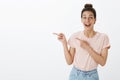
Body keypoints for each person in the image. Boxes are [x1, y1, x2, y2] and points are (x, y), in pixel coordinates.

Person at [53, 3, 110, 80]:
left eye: (90, 17)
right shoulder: (75, 37)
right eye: (84, 17)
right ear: (81, 20)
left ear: (95, 20)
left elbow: (103, 62)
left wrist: (87, 47)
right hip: (75, 75)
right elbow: (69, 61)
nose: (87, 20)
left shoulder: (103, 38)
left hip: (92, 76)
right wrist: (64, 43)